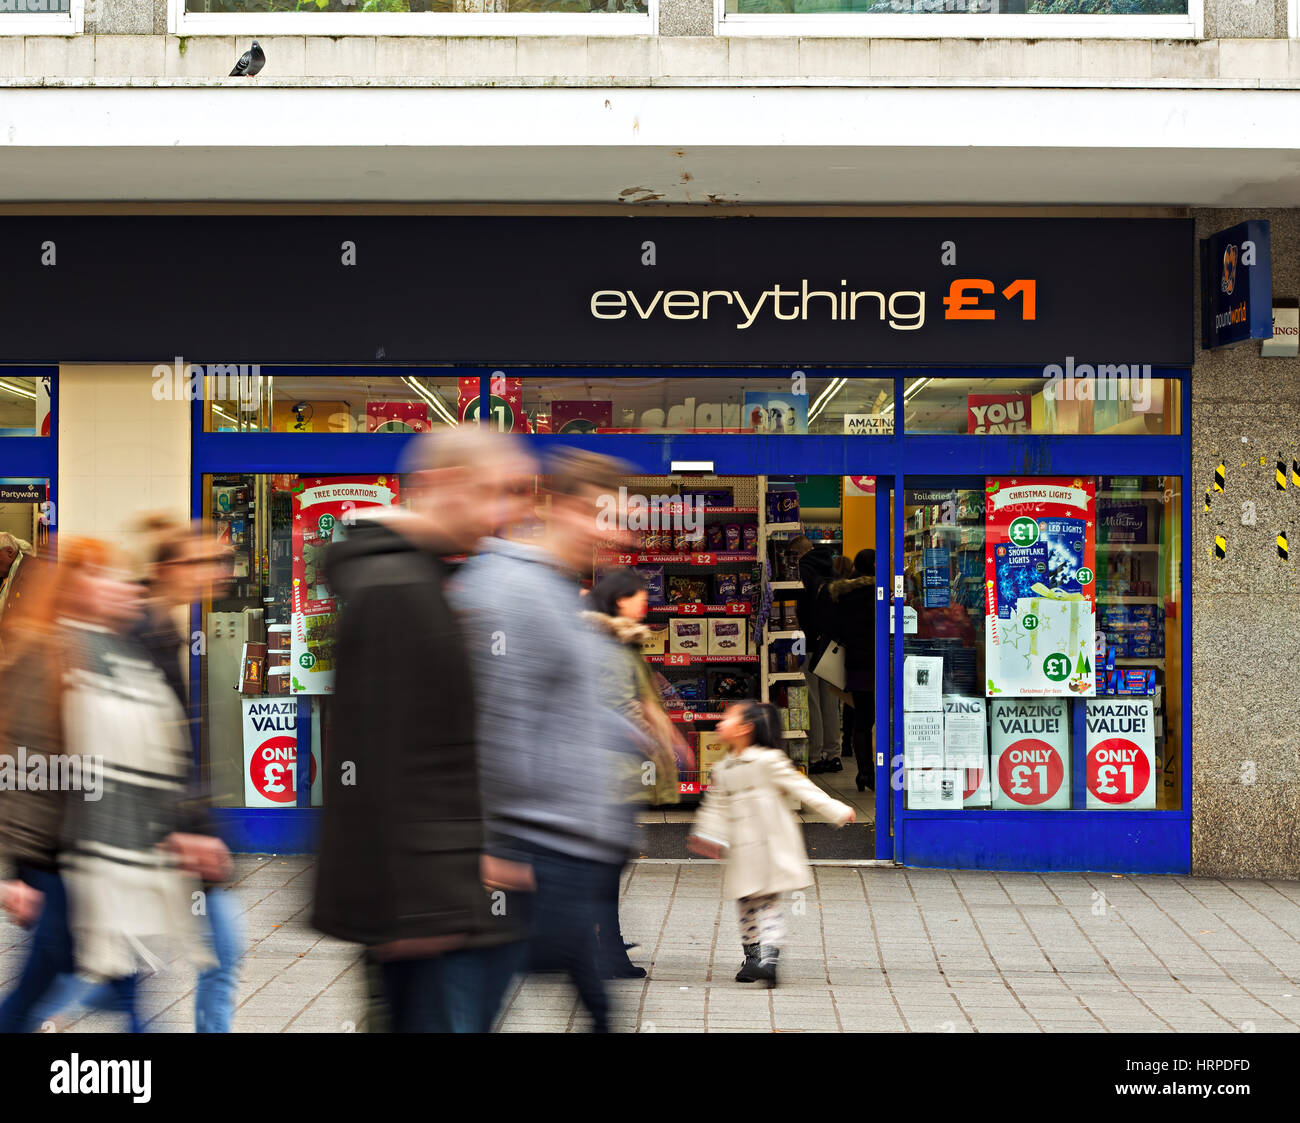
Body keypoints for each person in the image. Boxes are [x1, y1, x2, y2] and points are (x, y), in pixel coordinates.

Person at [312, 427, 537, 1034]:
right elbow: (373, 759)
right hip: (425, 913)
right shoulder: (398, 591)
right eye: (493, 491)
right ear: (441, 485)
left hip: (440, 898)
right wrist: (413, 908)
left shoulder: (423, 579)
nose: (505, 511)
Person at [453, 448, 645, 1034]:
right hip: (535, 849)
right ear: (555, 506)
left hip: (571, 845)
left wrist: (640, 736)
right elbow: (497, 721)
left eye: (613, 514)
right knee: (477, 1002)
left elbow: (573, 705)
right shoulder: (515, 589)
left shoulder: (564, 595)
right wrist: (501, 847)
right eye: (594, 510)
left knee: (590, 1003)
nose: (607, 529)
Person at [0, 538, 215, 1032]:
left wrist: (177, 827)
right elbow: (21, 768)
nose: (114, 584)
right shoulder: (44, 654)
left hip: (110, 859)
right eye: (96, 575)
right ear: (71, 588)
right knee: (42, 986)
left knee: (126, 981)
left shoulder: (120, 656)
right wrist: (19, 872)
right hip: (56, 863)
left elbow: (151, 758)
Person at [685, 700, 855, 989]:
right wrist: (708, 834)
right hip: (741, 846)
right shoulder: (724, 766)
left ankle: (769, 960)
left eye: (727, 718)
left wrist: (836, 809)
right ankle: (755, 958)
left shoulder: (767, 760)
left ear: (744, 729)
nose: (719, 723)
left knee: (765, 902)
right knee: (746, 902)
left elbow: (802, 787)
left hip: (768, 843)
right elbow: (715, 805)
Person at [583, 566, 682, 979]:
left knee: (605, 863)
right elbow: (618, 706)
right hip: (610, 774)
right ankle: (602, 951)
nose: (645, 600)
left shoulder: (619, 642)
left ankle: (596, 941)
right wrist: (657, 741)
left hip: (613, 772)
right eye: (637, 595)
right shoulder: (610, 645)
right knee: (607, 864)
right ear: (617, 599)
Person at [824, 549, 877, 793]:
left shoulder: (843, 594)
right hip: (880, 662)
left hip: (856, 662)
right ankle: (876, 770)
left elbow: (835, 629)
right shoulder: (878, 594)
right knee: (881, 718)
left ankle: (864, 771)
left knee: (862, 720)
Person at [789, 535, 841, 773]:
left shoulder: (803, 573)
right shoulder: (832, 570)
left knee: (812, 700)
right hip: (832, 644)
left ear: (799, 554)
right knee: (830, 701)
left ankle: (816, 755)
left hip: (808, 643)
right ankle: (834, 753)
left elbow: (800, 611)